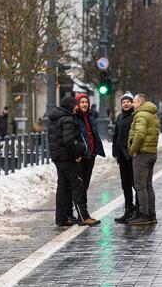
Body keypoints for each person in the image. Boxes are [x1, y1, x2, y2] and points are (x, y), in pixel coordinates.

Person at [48, 96, 99, 227]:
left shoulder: (55, 118)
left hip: (59, 158)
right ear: (70, 106)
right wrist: (77, 154)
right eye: (75, 104)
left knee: (63, 188)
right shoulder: (68, 119)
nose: (77, 107)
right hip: (69, 159)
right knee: (78, 186)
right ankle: (84, 217)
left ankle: (61, 218)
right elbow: (69, 141)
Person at [127, 93, 160, 225]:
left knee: (140, 185)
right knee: (148, 185)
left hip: (142, 154)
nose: (133, 104)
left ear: (140, 102)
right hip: (152, 153)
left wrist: (133, 150)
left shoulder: (141, 115)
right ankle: (151, 214)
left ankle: (144, 214)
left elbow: (139, 135)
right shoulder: (152, 114)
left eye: (134, 102)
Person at [112, 91, 138, 223]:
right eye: (123, 102)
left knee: (135, 183)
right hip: (122, 155)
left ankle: (138, 210)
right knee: (125, 184)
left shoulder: (135, 116)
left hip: (132, 155)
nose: (126, 104)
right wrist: (115, 153)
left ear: (132, 103)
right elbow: (115, 135)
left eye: (128, 101)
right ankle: (128, 209)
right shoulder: (119, 117)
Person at [74, 93, 106, 200]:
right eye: (82, 102)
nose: (85, 104)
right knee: (80, 185)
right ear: (77, 104)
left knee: (86, 184)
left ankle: (83, 212)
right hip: (81, 156)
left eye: (86, 102)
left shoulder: (90, 116)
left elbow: (94, 134)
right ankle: (81, 213)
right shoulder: (75, 117)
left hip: (91, 154)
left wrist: (96, 150)